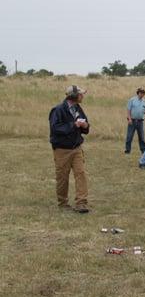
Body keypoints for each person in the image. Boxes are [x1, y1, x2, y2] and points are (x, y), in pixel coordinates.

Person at [49, 85, 91, 213]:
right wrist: (73, 125)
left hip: (77, 148)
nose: (82, 96)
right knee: (62, 177)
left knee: (81, 174)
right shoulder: (58, 109)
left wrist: (85, 125)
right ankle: (63, 203)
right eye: (80, 94)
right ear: (73, 96)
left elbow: (85, 127)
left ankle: (81, 203)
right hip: (62, 150)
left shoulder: (78, 108)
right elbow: (56, 128)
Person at [124, 87, 145, 154]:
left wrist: (141, 114)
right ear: (138, 93)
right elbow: (128, 110)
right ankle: (127, 150)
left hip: (140, 121)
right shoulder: (132, 100)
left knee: (141, 137)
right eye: (141, 93)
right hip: (132, 121)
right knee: (129, 136)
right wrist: (129, 119)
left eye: (143, 93)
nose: (142, 94)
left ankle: (143, 150)